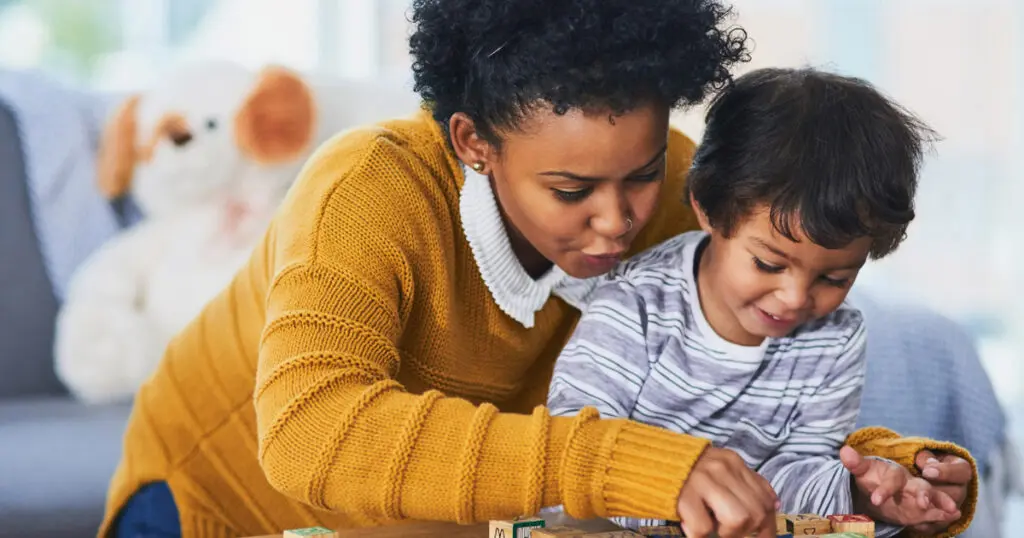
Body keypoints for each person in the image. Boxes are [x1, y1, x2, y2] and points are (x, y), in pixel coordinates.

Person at [98, 2, 977, 537]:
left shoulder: (681, 191)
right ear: (473, 143)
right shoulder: (367, 191)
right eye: (569, 188)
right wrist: (621, 462)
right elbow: (313, 437)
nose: (619, 219)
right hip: (219, 506)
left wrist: (886, 467)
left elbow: (747, 389)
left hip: (441, 525)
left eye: (640, 174)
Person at [546, 67, 973, 538]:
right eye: (769, 264)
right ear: (708, 208)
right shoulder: (634, 305)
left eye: (834, 277)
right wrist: (676, 491)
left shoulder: (836, 337)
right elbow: (577, 451)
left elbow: (793, 476)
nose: (794, 298)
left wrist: (858, 493)